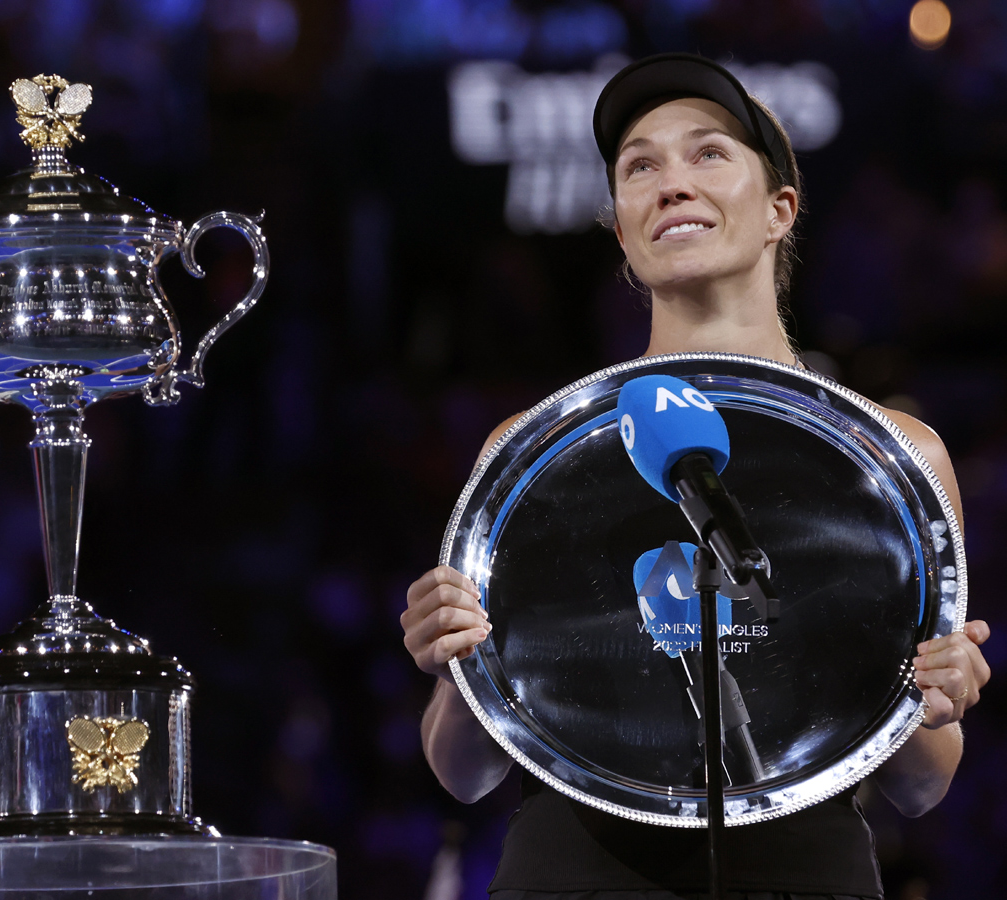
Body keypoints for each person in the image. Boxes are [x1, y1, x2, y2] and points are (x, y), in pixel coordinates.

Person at [400, 53, 992, 900]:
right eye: (640, 166)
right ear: (622, 227)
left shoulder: (894, 459)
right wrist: (452, 666)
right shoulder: (536, 455)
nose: (670, 182)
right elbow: (464, 772)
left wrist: (938, 698)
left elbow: (923, 784)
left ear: (780, 208)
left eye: (708, 153)